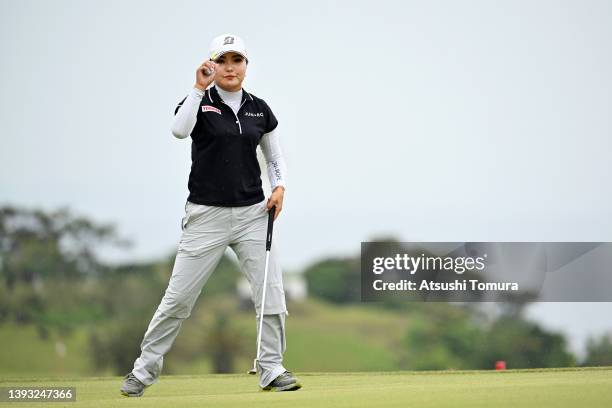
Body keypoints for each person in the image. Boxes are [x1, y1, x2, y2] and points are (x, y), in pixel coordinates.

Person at [120, 33, 302, 396]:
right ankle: (142, 372)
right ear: (212, 65)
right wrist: (197, 88)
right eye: (223, 61)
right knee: (178, 299)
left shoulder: (259, 109)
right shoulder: (199, 103)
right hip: (206, 215)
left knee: (271, 295)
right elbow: (178, 130)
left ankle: (271, 369)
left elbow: (274, 158)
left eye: (237, 61)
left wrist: (279, 188)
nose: (230, 68)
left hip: (253, 212)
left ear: (246, 65)